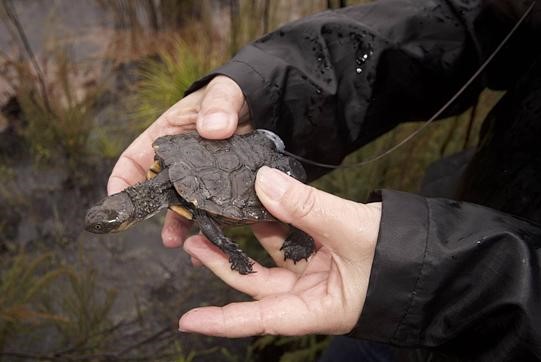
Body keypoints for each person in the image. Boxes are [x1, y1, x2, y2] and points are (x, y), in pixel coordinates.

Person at [107, 0, 541, 360]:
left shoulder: (192, 200)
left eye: (111, 220)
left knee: (217, 221)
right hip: (427, 250)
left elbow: (211, 224)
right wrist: (262, 90)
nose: (113, 219)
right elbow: (461, 16)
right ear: (132, 203)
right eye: (112, 217)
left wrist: (455, 281)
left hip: (439, 284)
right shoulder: (167, 155)